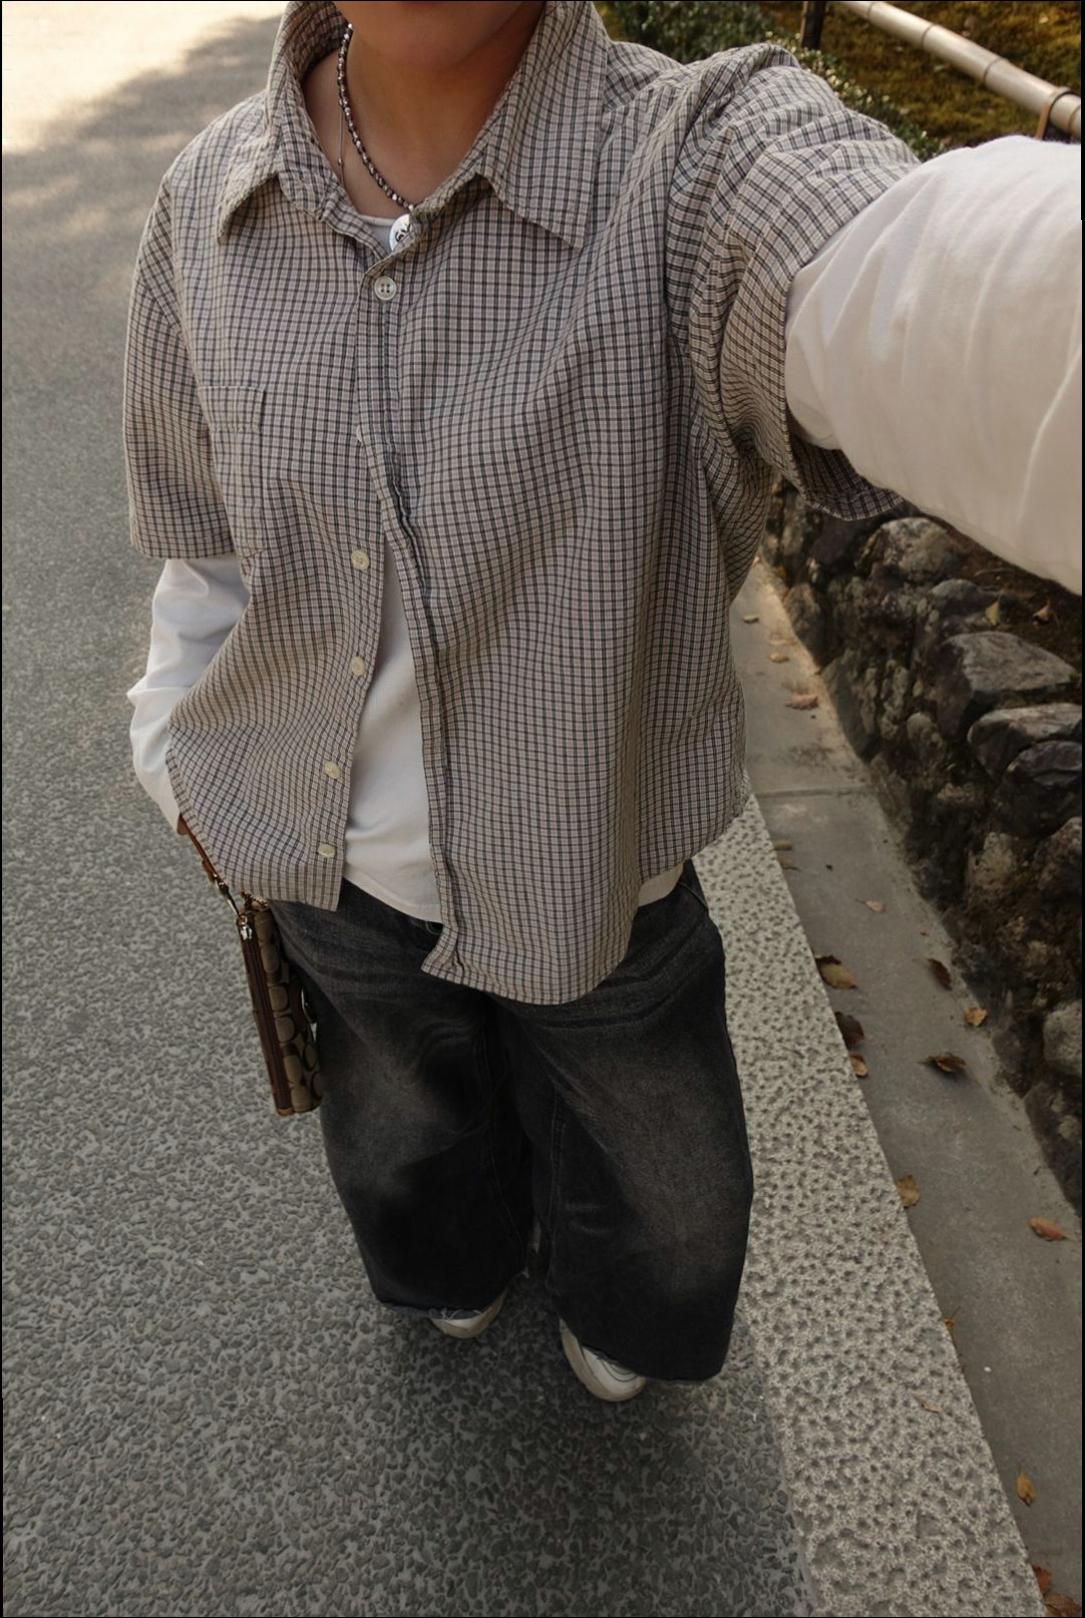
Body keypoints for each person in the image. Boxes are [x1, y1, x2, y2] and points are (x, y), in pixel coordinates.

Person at [123, 0, 1081, 1404]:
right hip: (330, 879)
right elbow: (203, 535)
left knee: (669, 1189)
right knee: (400, 1133)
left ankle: (630, 1313)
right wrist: (173, 736)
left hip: (600, 878)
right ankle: (450, 1260)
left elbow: (934, 280)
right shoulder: (208, 206)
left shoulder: (695, 169)